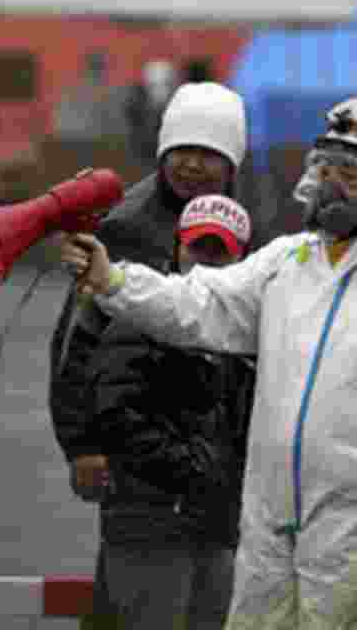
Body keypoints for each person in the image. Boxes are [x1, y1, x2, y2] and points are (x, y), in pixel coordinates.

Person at [59, 97, 357, 629]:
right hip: (265, 521)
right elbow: (198, 304)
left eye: (351, 173)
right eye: (326, 166)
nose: (331, 184)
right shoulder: (286, 263)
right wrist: (114, 280)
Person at [47, 81, 248, 629]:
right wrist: (81, 445)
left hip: (206, 477)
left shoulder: (231, 219)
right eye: (181, 151)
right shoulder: (129, 228)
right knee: (138, 596)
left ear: (231, 163)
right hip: (142, 466)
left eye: (209, 154)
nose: (192, 165)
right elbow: (75, 342)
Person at [82, 193, 256, 628]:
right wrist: (192, 469)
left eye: (220, 252)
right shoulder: (139, 318)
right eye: (199, 247)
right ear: (177, 249)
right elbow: (115, 414)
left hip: (217, 528)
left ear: (243, 260)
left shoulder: (249, 334)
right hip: (149, 528)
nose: (206, 262)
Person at [125, 60, 178, 174]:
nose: (159, 91)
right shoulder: (137, 111)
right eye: (154, 85)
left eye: (165, 84)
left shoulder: (178, 111)